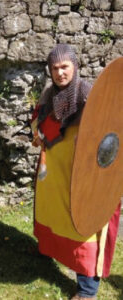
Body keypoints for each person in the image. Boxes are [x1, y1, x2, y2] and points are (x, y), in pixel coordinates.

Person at [31, 44, 121, 300]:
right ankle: (52, 251)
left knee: (85, 224)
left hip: (82, 175)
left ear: (75, 66)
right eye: (55, 68)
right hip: (54, 174)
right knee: (56, 218)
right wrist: (38, 132)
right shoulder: (48, 95)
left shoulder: (88, 93)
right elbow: (37, 124)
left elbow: (106, 132)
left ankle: (87, 289)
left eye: (64, 67)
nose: (60, 73)